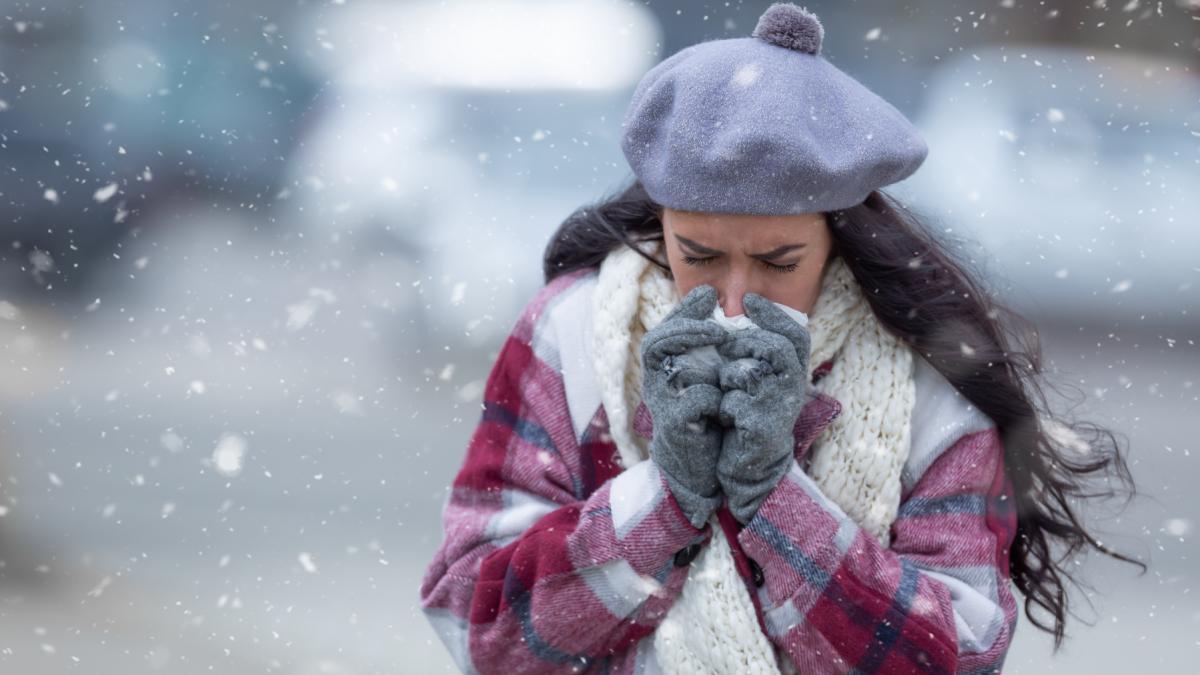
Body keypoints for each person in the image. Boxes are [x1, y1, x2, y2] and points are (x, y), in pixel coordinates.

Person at [419, 4, 1143, 673]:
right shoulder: (570, 334)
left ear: (838, 235)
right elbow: (475, 626)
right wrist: (662, 495)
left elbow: (960, 655)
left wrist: (777, 501)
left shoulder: (929, 377)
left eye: (778, 262)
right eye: (697, 254)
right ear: (658, 222)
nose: (735, 298)